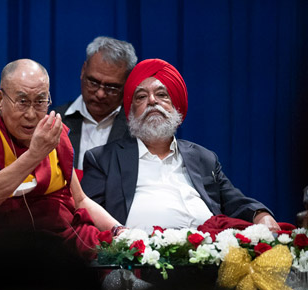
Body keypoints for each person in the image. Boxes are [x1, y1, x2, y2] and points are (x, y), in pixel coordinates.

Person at [0, 59, 121, 256]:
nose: (30, 114)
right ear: (0, 99)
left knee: (114, 255)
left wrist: (121, 231)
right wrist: (35, 154)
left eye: (39, 102)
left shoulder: (52, 132)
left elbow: (80, 200)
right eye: (22, 102)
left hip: (60, 236)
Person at [82, 58, 279, 233]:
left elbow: (234, 200)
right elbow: (86, 220)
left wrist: (261, 215)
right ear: (131, 112)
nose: (152, 101)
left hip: (208, 259)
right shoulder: (103, 159)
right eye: (141, 97)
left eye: (162, 94)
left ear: (176, 106)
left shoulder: (203, 158)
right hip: (139, 265)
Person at [53, 36, 137, 170]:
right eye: (93, 82)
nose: (100, 94)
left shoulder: (137, 128)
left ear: (127, 83)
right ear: (83, 71)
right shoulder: (55, 121)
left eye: (112, 87)